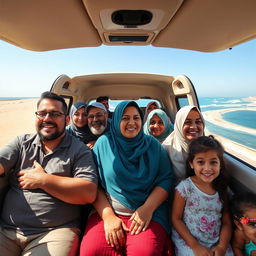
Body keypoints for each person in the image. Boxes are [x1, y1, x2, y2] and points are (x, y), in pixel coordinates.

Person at [0, 91, 98, 256]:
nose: (47, 118)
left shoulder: (79, 150)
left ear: (66, 120)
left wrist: (43, 180)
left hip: (54, 232)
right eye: (42, 113)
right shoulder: (21, 143)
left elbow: (88, 192)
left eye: (55, 114)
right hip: (6, 230)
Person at [79, 101, 174, 256]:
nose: (131, 123)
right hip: (108, 210)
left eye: (136, 118)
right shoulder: (103, 144)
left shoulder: (153, 146)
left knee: (144, 252)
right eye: (125, 118)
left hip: (149, 211)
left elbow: (166, 179)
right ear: (116, 120)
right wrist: (108, 216)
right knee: (91, 251)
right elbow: (93, 184)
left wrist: (147, 209)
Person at [171, 135, 234, 256]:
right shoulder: (185, 188)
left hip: (216, 242)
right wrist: (194, 245)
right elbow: (176, 218)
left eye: (213, 162)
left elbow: (226, 222)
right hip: (189, 241)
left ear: (220, 164)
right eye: (200, 162)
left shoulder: (222, 189)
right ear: (191, 164)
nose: (207, 168)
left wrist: (222, 246)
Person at [162, 105, 205, 180]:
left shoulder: (207, 146)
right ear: (179, 124)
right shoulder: (166, 149)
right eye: (187, 122)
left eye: (198, 122)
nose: (193, 127)